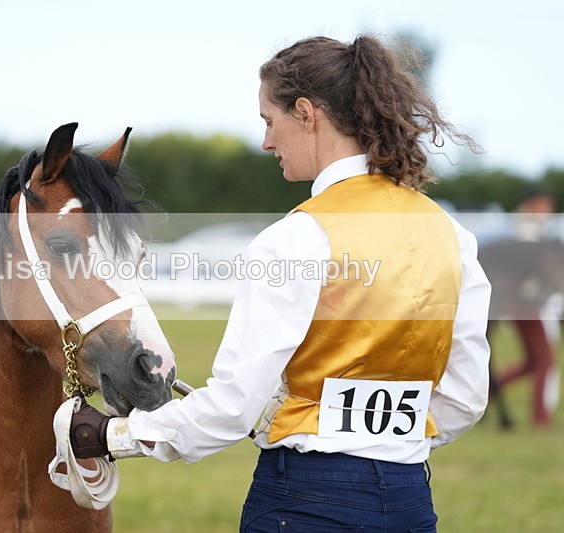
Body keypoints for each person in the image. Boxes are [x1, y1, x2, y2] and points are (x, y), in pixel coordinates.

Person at [70, 35, 491, 532]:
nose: (267, 142)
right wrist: (379, 442)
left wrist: (111, 435)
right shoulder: (453, 235)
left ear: (307, 113)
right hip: (409, 499)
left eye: (271, 122)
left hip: (306, 499)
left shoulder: (296, 238)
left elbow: (231, 408)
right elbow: (464, 397)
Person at [494, 186, 560, 426]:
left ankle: (490, 391)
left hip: (525, 302)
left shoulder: (531, 231)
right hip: (526, 303)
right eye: (544, 204)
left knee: (532, 362)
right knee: (544, 360)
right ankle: (540, 417)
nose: (548, 210)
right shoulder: (529, 234)